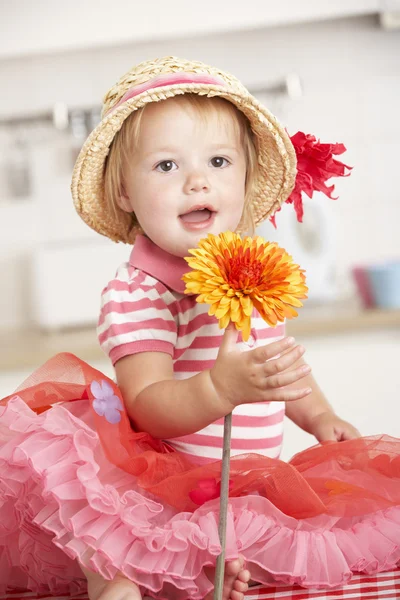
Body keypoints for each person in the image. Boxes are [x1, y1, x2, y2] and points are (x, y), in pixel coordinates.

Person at [1, 56, 399, 600]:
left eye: (217, 160)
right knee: (125, 544)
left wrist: (320, 415)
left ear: (243, 177)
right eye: (166, 166)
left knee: (275, 541)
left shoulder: (250, 268)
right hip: (165, 485)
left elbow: (275, 361)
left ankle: (204, 568)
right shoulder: (141, 292)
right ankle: (115, 578)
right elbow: (148, 404)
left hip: (244, 481)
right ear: (125, 194)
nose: (196, 180)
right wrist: (220, 389)